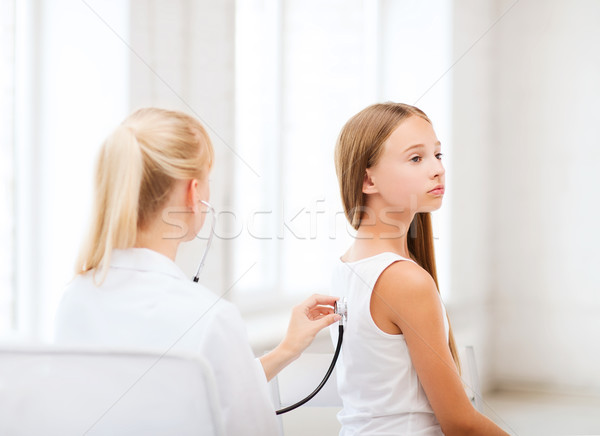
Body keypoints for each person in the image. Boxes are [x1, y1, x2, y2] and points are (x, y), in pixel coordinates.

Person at [53, 107, 341, 436]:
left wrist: (286, 351)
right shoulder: (211, 318)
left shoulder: (75, 299)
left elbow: (196, 394)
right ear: (194, 194)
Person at [331, 102, 508, 435]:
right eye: (416, 158)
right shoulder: (404, 280)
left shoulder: (347, 265)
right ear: (368, 179)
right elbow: (460, 423)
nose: (437, 169)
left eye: (437, 155)